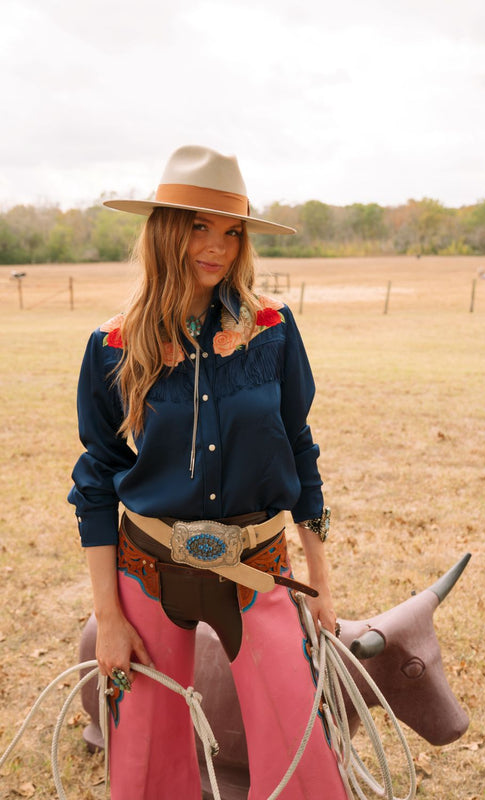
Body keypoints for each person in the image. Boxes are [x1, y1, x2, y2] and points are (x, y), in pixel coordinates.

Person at [69, 145, 348, 799]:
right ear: (166, 230)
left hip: (257, 563)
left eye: (230, 231)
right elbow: (97, 478)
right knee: (142, 761)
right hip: (147, 569)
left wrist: (322, 582)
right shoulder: (110, 344)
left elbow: (300, 448)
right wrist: (106, 618)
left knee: (300, 748)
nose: (216, 247)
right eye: (198, 226)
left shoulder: (273, 329)